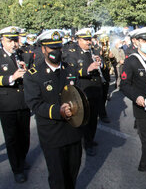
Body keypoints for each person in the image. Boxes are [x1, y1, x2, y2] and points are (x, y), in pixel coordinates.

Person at [23, 29, 83, 189]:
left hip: (73, 132)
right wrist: (59, 111)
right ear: (43, 49)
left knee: (72, 173)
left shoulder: (70, 69)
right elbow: (34, 104)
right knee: (58, 179)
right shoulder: (33, 75)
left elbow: (77, 94)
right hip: (52, 135)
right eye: (52, 48)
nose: (56, 52)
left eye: (58, 48)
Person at [120, 26, 146, 189]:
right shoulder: (131, 61)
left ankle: (143, 163)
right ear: (136, 42)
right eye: (144, 40)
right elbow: (124, 84)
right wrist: (137, 97)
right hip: (142, 108)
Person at [63, 28, 103, 156]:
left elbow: (103, 68)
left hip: (96, 88)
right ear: (78, 40)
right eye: (85, 40)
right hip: (84, 89)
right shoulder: (72, 53)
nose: (88, 42)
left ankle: (90, 138)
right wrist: (87, 70)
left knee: (94, 117)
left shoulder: (92, 51)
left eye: (89, 39)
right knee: (85, 118)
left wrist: (100, 64)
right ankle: (87, 142)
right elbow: (71, 72)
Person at [0, 26, 30, 183]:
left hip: (23, 102)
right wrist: (11, 78)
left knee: (25, 137)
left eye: (15, 40)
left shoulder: (20, 55)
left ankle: (22, 158)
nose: (13, 44)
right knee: (12, 139)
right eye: (9, 41)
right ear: (2, 40)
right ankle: (17, 169)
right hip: (7, 104)